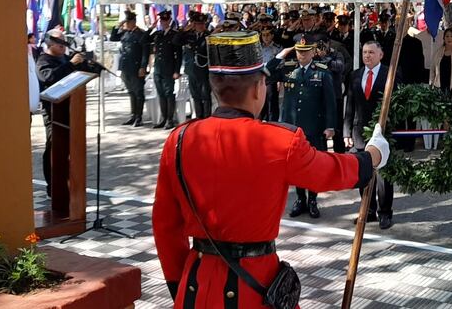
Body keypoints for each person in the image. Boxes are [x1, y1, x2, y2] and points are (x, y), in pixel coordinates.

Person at [152, 31, 389, 307]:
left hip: (195, 284)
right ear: (257, 88)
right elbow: (330, 171)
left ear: (214, 87)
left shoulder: (178, 140)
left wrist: (181, 284)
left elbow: (165, 227)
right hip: (254, 288)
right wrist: (372, 156)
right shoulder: (278, 142)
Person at [267, 38, 336, 218]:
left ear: (313, 52)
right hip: (292, 127)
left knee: (312, 165)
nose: (302, 55)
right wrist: (282, 54)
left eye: (305, 51)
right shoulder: (288, 68)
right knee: (295, 165)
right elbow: (266, 71)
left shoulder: (322, 72)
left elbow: (330, 102)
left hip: (314, 126)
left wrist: (330, 126)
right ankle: (300, 199)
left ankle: (312, 199)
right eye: (298, 51)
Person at [344, 41, 398, 230]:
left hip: (382, 132)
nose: (367, 56)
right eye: (365, 52)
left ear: (381, 55)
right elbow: (350, 105)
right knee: (364, 173)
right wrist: (346, 131)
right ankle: (368, 211)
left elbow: (397, 104)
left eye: (371, 52)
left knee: (383, 176)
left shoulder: (391, 74)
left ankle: (385, 212)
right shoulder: (355, 75)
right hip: (360, 132)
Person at [35, 29, 91, 195]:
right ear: (50, 43)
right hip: (54, 112)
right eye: (59, 43)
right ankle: (52, 185)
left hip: (72, 109)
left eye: (64, 42)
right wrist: (71, 64)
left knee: (69, 147)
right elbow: (49, 78)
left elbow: (81, 73)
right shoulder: (43, 60)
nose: (62, 46)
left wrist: (85, 63)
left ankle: (68, 182)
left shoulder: (66, 59)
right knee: (54, 147)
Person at [111, 10, 150, 126]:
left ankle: (139, 117)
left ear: (133, 22)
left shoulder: (141, 34)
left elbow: (145, 53)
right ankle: (133, 115)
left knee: (138, 92)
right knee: (131, 92)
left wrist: (143, 67)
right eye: (125, 22)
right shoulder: (124, 33)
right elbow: (113, 37)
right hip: (125, 67)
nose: (126, 24)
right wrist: (118, 25)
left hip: (136, 67)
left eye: (128, 22)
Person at [173, 11, 213, 119]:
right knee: (195, 96)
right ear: (194, 24)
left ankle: (207, 119)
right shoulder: (188, 35)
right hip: (191, 70)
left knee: (205, 96)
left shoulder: (208, 36)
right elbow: (175, 41)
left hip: (204, 70)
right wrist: (184, 29)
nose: (201, 26)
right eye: (198, 24)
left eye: (202, 24)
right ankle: (199, 118)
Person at [148, 9, 183, 129]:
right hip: (158, 68)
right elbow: (144, 40)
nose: (163, 22)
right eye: (161, 20)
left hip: (169, 69)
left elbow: (179, 54)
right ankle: (163, 118)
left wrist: (177, 71)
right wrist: (150, 28)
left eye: (165, 20)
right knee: (161, 94)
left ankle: (170, 119)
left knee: (169, 94)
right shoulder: (158, 34)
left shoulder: (174, 35)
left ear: (169, 20)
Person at [258, 26, 282, 122]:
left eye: (268, 35)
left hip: (272, 78)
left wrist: (279, 81)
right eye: (263, 35)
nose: (266, 37)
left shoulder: (277, 48)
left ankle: (272, 123)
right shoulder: (258, 48)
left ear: (272, 35)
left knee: (272, 103)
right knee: (261, 103)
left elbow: (281, 65)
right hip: (260, 78)